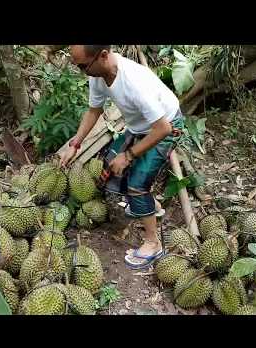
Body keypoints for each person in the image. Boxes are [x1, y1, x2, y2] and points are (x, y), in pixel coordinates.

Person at [60, 45, 184, 269]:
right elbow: (93, 111)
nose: (81, 71)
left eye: (82, 66)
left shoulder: (134, 82)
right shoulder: (98, 74)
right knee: (111, 164)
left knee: (136, 184)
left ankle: (153, 243)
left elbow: (163, 129)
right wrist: (75, 144)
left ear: (104, 56)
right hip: (140, 127)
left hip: (166, 127)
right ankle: (151, 206)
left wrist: (128, 155)